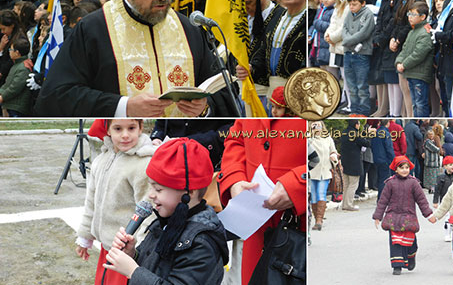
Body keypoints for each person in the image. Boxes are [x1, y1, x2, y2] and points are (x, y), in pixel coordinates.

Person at [35, 0, 236, 117]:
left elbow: (222, 93)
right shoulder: (93, 29)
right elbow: (56, 95)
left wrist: (204, 107)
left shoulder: (188, 29)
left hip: (184, 147)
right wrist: (124, 107)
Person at [105, 137, 228, 284]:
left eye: (158, 189)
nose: (151, 194)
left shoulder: (202, 244)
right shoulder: (165, 222)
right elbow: (156, 268)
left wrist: (134, 272)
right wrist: (133, 255)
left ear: (189, 193)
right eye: (150, 186)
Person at [217, 119, 306, 285]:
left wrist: (299, 183)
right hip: (256, 230)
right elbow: (236, 138)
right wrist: (235, 178)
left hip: (298, 226)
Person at [75, 119, 155, 285]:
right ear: (108, 131)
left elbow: (149, 213)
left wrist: (140, 253)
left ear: (140, 128)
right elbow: (91, 203)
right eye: (118, 128)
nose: (125, 135)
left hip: (128, 254)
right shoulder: (101, 161)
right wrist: (85, 237)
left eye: (131, 128)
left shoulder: (144, 164)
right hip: (107, 248)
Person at [237, 0, 307, 103]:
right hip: (272, 95)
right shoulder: (280, 17)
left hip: (295, 92)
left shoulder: (308, 18)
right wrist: (252, 67)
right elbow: (265, 50)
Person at [373, 155, 435, 275]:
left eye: (407, 167)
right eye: (402, 167)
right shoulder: (390, 183)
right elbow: (383, 201)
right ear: (396, 169)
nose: (405, 170)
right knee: (395, 241)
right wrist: (378, 216)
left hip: (409, 218)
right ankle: (397, 266)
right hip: (393, 217)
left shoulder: (414, 183)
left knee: (410, 242)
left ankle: (411, 257)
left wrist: (429, 215)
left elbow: (421, 200)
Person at [395, 1, 434, 117]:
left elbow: (418, 54)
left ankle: (420, 121)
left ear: (423, 17)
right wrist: (398, 61)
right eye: (409, 14)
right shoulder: (412, 32)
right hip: (411, 74)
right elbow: (405, 49)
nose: (410, 17)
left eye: (413, 14)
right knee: (415, 103)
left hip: (420, 75)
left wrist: (404, 64)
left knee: (420, 103)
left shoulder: (424, 33)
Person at [342, 0, 375, 116]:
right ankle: (354, 109)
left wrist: (347, 41)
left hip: (362, 54)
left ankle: (364, 110)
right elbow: (344, 29)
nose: (351, 7)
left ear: (363, 3)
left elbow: (364, 33)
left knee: (362, 85)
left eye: (354, 4)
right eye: (350, 4)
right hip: (348, 53)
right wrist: (347, 40)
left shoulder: (367, 14)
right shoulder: (349, 14)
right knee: (351, 85)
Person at [308, 121, 338, 230]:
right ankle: (316, 220)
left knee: (321, 194)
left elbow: (333, 151)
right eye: (314, 125)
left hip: (325, 171)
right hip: (312, 172)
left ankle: (319, 220)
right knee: (314, 196)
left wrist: (334, 156)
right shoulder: (309, 139)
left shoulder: (328, 139)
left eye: (319, 125)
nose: (317, 127)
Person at [340, 119, 373, 210]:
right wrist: (369, 134)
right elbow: (366, 143)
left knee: (346, 184)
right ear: (356, 124)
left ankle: (345, 204)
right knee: (353, 184)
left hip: (345, 161)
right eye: (358, 123)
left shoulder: (344, 132)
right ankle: (349, 204)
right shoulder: (356, 134)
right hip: (354, 162)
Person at [0, 37, 32, 116]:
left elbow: (14, 88)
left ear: (17, 52)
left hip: (16, 108)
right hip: (11, 105)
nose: (9, 52)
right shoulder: (17, 64)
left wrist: (2, 97)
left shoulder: (23, 68)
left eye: (11, 50)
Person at [433, 155, 453, 242]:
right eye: (450, 164)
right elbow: (437, 190)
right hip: (445, 201)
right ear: (445, 166)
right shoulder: (441, 177)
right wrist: (435, 201)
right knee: (448, 218)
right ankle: (447, 234)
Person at [371, 119, 395, 199]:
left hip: (376, 159)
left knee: (380, 180)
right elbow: (389, 148)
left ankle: (380, 198)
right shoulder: (386, 134)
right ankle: (382, 199)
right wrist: (393, 159)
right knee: (384, 181)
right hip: (385, 159)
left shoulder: (376, 133)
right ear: (387, 124)